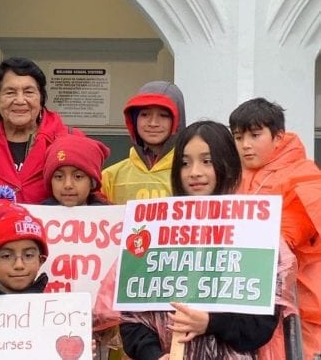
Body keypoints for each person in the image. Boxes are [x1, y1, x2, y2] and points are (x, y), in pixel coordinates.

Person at [96, 121, 297, 359]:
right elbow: (131, 318)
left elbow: (260, 327)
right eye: (184, 163)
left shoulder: (254, 231)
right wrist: (154, 355)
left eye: (207, 161)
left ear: (228, 164)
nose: (195, 173)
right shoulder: (153, 230)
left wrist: (210, 322)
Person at [0, 57, 83, 286]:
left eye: (29, 91)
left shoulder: (68, 140)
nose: (20, 100)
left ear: (41, 98)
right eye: (9, 92)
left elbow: (93, 201)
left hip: (54, 273)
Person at [229, 97, 321, 359]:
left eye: (255, 135)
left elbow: (289, 235)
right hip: (241, 303)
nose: (245, 145)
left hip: (295, 309)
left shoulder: (305, 175)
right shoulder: (231, 175)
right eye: (238, 137)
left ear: (278, 136)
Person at [101, 80, 186, 204]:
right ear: (134, 120)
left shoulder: (191, 176)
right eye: (145, 114)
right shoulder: (110, 177)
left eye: (163, 115)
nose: (153, 123)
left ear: (177, 122)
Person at [0, 186, 49, 295]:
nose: (19, 265)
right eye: (6, 256)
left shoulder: (51, 305)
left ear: (41, 260)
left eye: (28, 255)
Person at [42, 133, 111, 206]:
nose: (67, 185)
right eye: (59, 177)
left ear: (92, 182)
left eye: (78, 176)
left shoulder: (109, 216)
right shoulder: (35, 215)